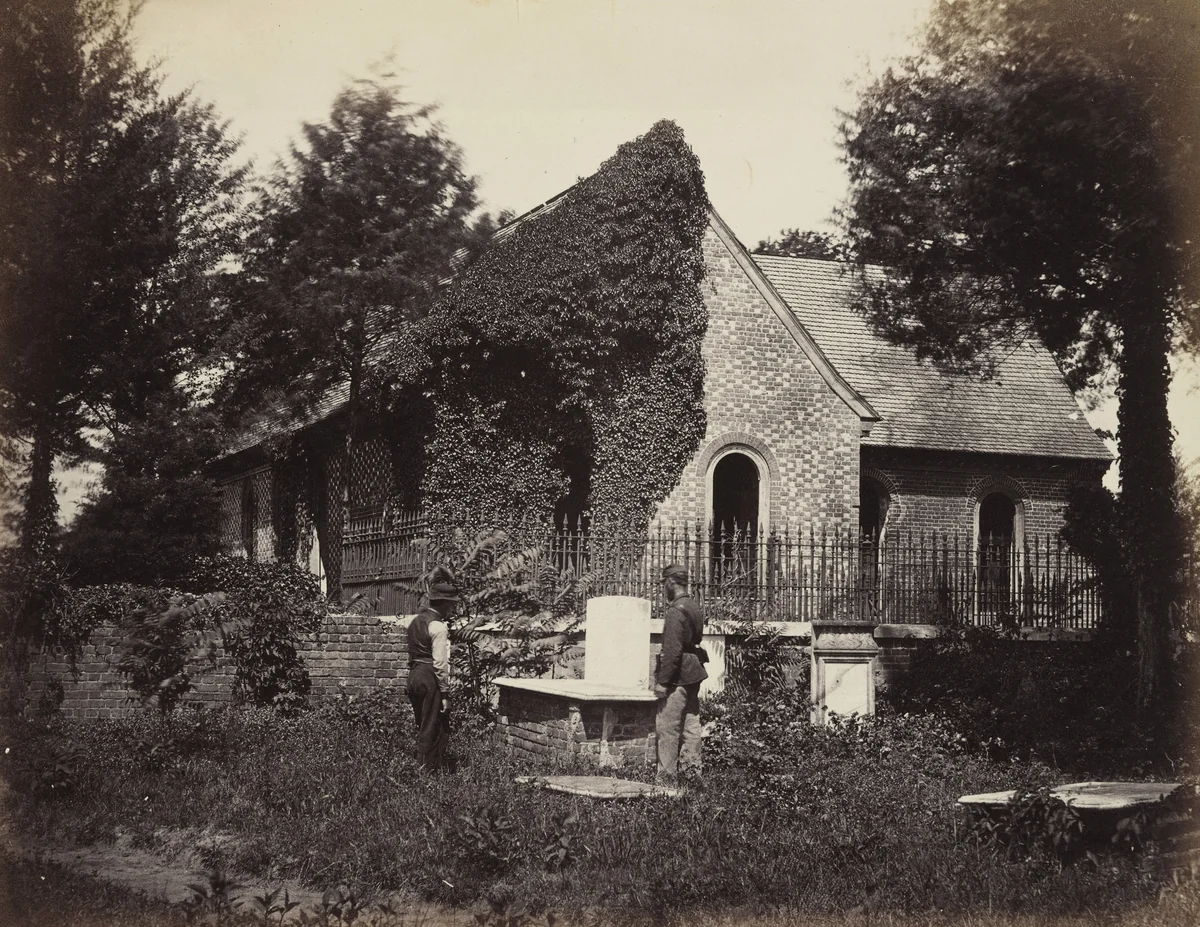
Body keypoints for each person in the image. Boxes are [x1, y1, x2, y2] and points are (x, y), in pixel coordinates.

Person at [653, 563, 707, 784]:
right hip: (694, 671)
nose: (663, 588)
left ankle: (666, 781)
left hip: (679, 677)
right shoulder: (693, 606)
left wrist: (663, 682)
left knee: (668, 727)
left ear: (670, 582)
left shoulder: (676, 611)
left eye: (664, 583)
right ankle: (692, 775)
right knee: (691, 726)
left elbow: (672, 651)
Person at [406, 578, 459, 772]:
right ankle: (427, 772)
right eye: (452, 605)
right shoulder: (438, 626)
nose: (452, 610)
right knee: (434, 726)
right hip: (430, 677)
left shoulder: (414, 621)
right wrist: (444, 693)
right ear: (444, 604)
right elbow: (440, 663)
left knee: (422, 722)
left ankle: (420, 766)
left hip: (414, 674)